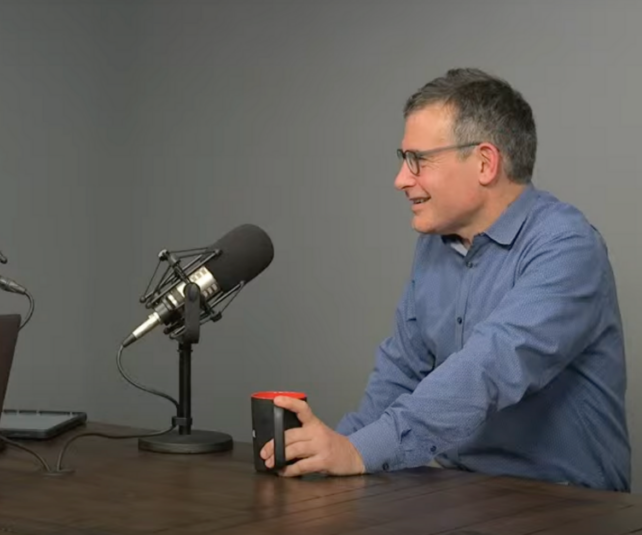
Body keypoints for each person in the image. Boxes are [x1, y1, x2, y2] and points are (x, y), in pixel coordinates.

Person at [260, 68, 630, 492]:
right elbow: (401, 371)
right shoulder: (437, 246)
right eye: (403, 160)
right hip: (460, 492)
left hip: (567, 505)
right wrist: (332, 451)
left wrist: (362, 452)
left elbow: (489, 368)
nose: (401, 180)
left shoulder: (567, 246)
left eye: (419, 160)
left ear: (485, 163)